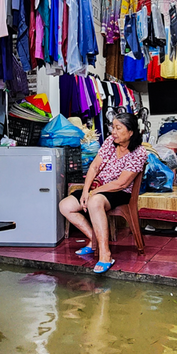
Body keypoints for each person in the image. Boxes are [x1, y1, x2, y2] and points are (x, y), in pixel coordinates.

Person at [59, 112, 147, 273]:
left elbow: (122, 183)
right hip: (98, 187)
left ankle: (105, 254)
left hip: (119, 192)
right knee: (65, 206)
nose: (113, 132)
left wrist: (93, 193)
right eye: (112, 127)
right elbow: (94, 167)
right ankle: (93, 239)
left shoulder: (139, 152)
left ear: (131, 132)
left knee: (95, 201)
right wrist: (86, 191)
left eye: (118, 128)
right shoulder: (109, 142)